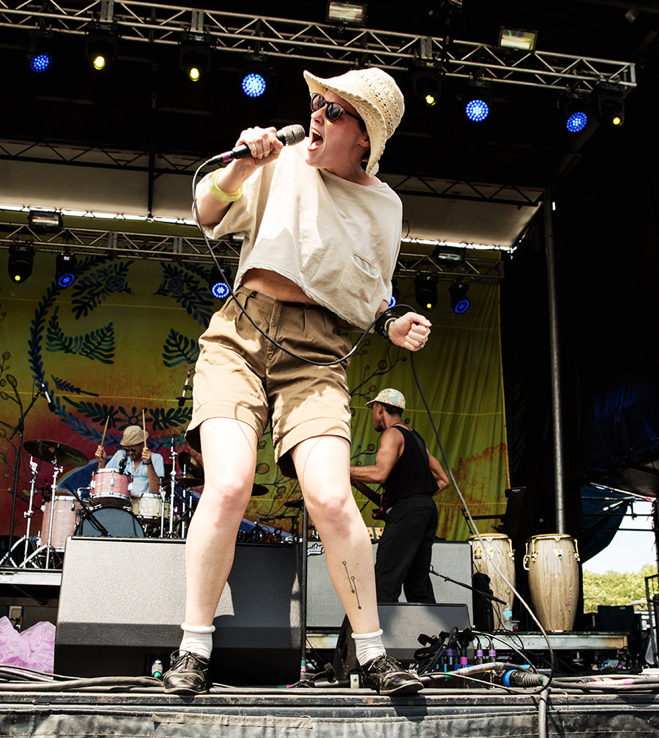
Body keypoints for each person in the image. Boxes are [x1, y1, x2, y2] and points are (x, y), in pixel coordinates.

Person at [162, 67, 432, 696]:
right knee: (228, 486)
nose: (317, 115)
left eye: (335, 111)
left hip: (316, 358)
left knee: (334, 500)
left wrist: (391, 324)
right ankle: (193, 647)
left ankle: (371, 654)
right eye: (316, 103)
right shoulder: (279, 161)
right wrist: (240, 165)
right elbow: (206, 211)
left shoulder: (383, 203)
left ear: (365, 138)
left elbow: (370, 289)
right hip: (240, 337)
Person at [350, 388, 449, 604]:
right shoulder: (416, 438)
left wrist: (341, 468)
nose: (373, 416)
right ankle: (431, 636)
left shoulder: (392, 434)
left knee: (384, 582)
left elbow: (379, 473)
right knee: (417, 585)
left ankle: (382, 635)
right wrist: (415, 498)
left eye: (373, 410)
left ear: (379, 408)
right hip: (426, 511)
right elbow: (443, 481)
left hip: (408, 514)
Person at [94, 425, 163, 502]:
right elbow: (102, 483)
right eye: (127, 450)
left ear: (142, 445)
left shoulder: (156, 458)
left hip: (146, 505)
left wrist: (149, 463)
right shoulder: (120, 455)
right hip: (122, 503)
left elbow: (156, 491)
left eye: (133, 450)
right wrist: (101, 462)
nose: (130, 453)